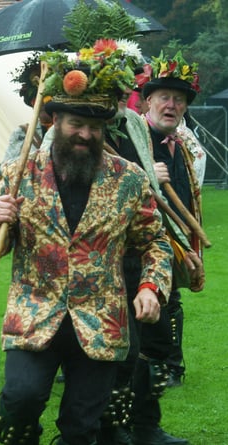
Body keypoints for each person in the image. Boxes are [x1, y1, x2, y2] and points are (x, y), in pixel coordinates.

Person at [0, 42, 173, 445]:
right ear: (54, 122)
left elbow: (156, 242)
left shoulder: (129, 179)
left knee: (83, 426)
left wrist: (152, 286)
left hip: (101, 319)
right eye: (75, 124)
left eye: (95, 127)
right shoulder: (18, 175)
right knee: (21, 400)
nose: (85, 134)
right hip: (35, 312)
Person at [123, 51, 206, 445]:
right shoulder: (126, 142)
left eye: (179, 99)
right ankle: (116, 427)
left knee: (157, 350)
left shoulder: (182, 148)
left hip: (168, 264)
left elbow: (189, 205)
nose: (171, 105)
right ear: (147, 101)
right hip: (129, 263)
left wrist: (191, 254)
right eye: (163, 98)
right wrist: (141, 172)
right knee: (128, 349)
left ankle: (145, 427)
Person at [1, 53, 53, 166]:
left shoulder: (68, 132)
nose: (42, 105)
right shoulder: (21, 133)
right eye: (37, 101)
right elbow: (0, 177)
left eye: (46, 100)